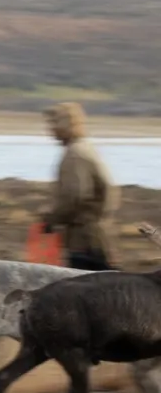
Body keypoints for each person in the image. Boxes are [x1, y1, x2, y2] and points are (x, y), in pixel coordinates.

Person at [43, 101, 120, 271]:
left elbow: (74, 196)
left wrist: (52, 219)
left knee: (90, 286)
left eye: (53, 124)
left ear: (65, 124)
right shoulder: (85, 148)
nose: (50, 131)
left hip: (85, 237)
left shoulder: (75, 155)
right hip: (95, 233)